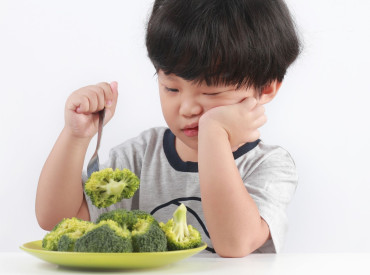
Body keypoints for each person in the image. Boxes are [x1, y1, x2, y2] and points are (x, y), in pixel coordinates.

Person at [36, 0, 301, 257]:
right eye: (171, 88)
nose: (186, 108)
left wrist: (214, 132)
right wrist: (76, 137)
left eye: (211, 92)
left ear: (266, 88)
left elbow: (235, 245)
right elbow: (57, 220)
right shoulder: (141, 156)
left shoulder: (269, 165)